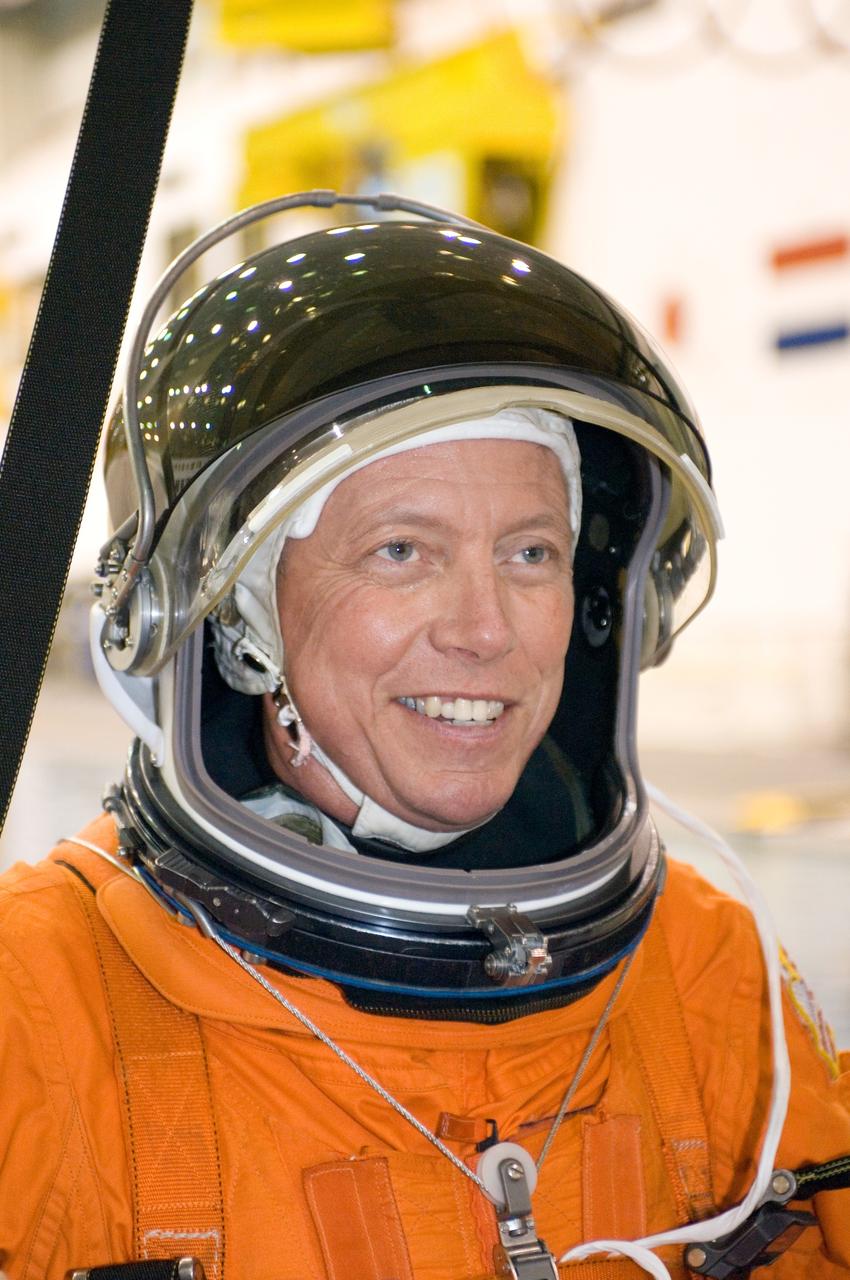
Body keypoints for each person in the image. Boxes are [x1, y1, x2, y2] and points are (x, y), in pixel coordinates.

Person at [1, 194, 848, 1280]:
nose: (486, 628)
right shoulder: (40, 1004)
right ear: (238, 613)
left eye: (531, 553)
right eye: (401, 550)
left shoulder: (710, 973)